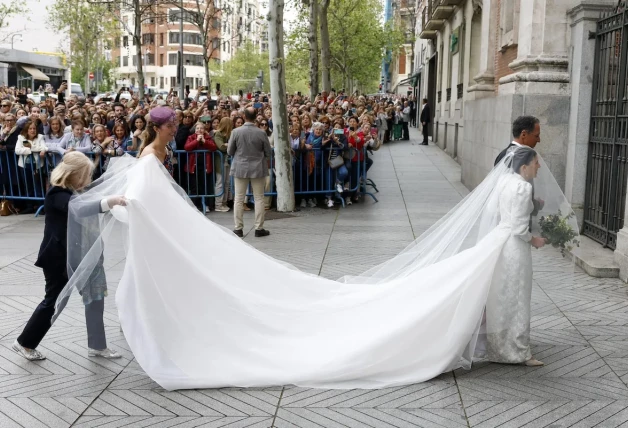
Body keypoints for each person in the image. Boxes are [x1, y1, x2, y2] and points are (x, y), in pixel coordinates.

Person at [12, 152, 126, 361]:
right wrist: (109, 202)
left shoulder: (75, 190)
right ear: (72, 174)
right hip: (58, 259)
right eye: (85, 174)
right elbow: (78, 209)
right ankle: (24, 343)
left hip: (84, 255)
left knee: (95, 298)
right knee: (55, 302)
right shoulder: (57, 194)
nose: (88, 178)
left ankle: (97, 346)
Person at [486, 147, 546, 366]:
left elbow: (502, 212)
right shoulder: (521, 187)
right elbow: (520, 229)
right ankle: (519, 351)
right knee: (519, 296)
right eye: (535, 163)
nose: (538, 166)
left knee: (503, 297)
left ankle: (499, 348)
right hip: (515, 247)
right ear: (524, 166)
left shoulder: (505, 182)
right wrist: (536, 240)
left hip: (501, 240)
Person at [227, 107, 271, 238]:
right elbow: (268, 152)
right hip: (258, 167)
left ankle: (238, 228)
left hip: (240, 167)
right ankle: (259, 228)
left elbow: (230, 151)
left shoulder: (236, 132)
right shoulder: (261, 133)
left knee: (239, 198)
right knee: (259, 198)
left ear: (244, 116)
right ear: (256, 116)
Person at [137, 107, 177, 176]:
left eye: (174, 125)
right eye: (169, 126)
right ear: (156, 129)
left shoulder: (166, 148)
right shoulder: (150, 154)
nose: (174, 129)